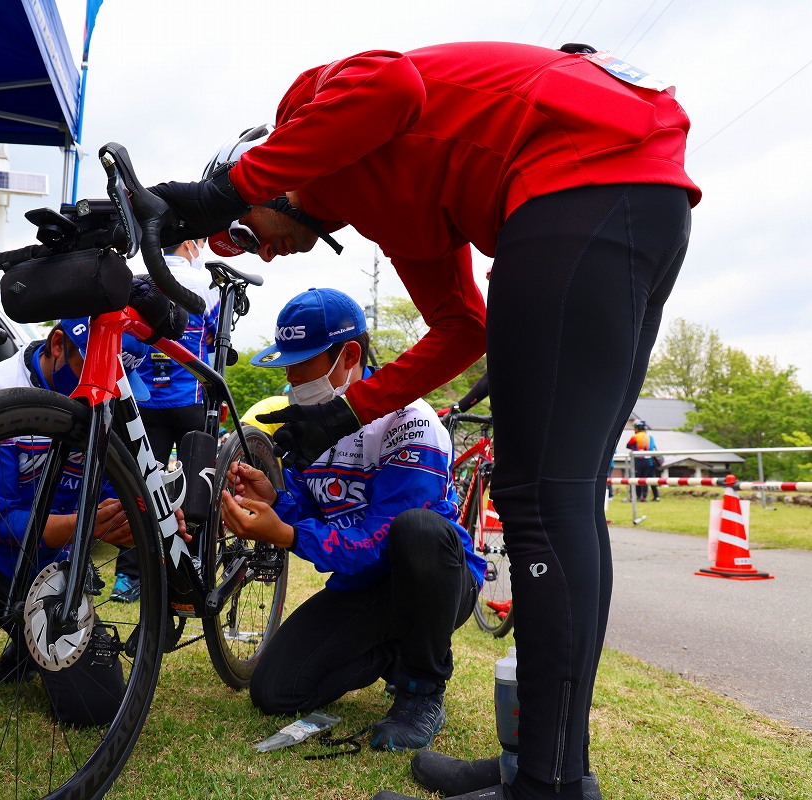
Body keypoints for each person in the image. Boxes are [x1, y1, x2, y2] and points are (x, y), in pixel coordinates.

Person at [149, 41, 698, 800]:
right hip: (630, 189)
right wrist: (344, 413)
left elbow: (391, 80)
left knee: (541, 500)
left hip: (582, 177)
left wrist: (220, 190)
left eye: (239, 232)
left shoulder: (311, 110)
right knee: (561, 497)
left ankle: (545, 784)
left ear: (281, 165)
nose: (257, 255)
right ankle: (548, 768)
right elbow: (461, 324)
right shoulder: (392, 205)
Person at [218, 288, 485, 751]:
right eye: (287, 361)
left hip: (433, 581)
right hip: (364, 588)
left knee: (417, 532)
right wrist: (277, 500)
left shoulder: (412, 421)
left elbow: (381, 541)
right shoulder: (311, 418)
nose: (290, 375)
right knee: (275, 691)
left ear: (349, 356)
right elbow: (313, 502)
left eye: (302, 362)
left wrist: (283, 533)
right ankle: (397, 653)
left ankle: (422, 689)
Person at [0, 318, 170, 725]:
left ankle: (25, 646)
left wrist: (138, 522)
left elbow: (116, 496)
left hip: (54, 566)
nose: (102, 392)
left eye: (117, 380)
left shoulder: (111, 399)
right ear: (58, 344)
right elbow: (0, 521)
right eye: (92, 372)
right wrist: (87, 526)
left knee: (96, 709)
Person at [110, 239, 221, 603]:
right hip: (191, 399)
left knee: (139, 489)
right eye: (200, 243)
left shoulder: (140, 278)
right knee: (197, 490)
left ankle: (127, 579)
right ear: (190, 243)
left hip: (145, 402)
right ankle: (198, 567)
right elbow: (215, 337)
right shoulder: (204, 281)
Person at [626, 420, 661, 501]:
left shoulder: (635, 436)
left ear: (637, 428)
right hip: (649, 461)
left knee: (637, 479)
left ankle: (637, 496)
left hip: (638, 459)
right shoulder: (650, 437)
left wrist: (634, 447)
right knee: (647, 479)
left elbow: (627, 445)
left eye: (635, 428)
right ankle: (645, 497)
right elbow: (651, 448)